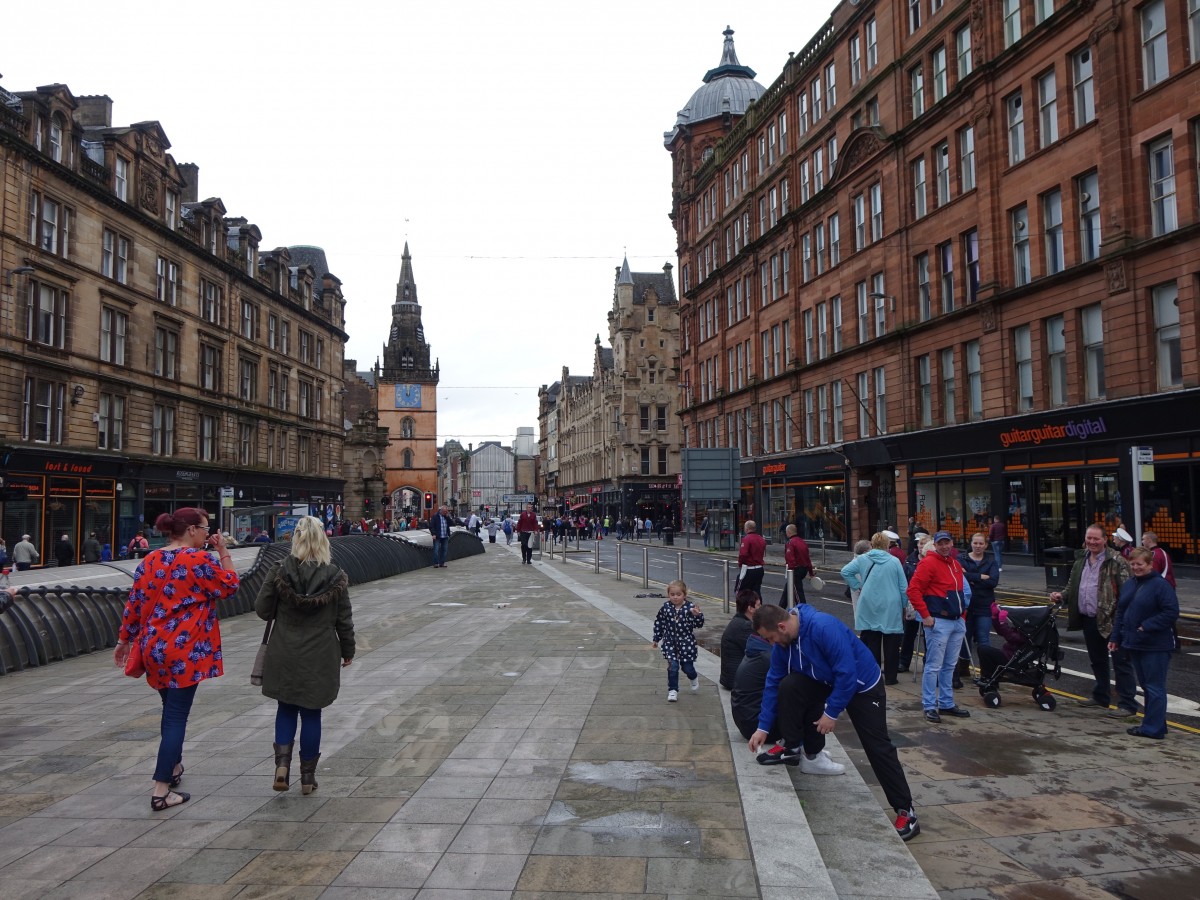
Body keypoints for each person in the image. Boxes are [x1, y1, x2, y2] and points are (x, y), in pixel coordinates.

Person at [748, 604, 920, 841]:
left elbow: (847, 674)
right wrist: (763, 727)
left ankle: (905, 810)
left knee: (877, 746)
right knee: (790, 686)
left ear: (782, 626)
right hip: (825, 679)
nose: (772, 644)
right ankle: (793, 747)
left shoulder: (823, 627)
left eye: (771, 638)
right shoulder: (784, 642)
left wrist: (831, 712)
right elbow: (772, 681)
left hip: (862, 685)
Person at [112, 508, 239, 810]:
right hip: (185, 650)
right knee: (175, 717)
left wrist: (123, 641)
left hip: (154, 648)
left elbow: (134, 603)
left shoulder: (150, 560)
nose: (210, 534)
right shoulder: (200, 560)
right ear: (192, 530)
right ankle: (161, 789)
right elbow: (230, 585)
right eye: (207, 529)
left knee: (170, 710)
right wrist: (222, 551)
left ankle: (174, 767)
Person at [255, 516, 355, 793]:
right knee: (312, 713)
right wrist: (348, 650)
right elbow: (343, 620)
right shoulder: (335, 575)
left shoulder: (279, 570)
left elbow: (263, 610)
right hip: (321, 653)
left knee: (286, 707)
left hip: (285, 649)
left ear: (295, 539)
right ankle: (308, 777)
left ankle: (282, 767)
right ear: (323, 541)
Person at [1051, 524, 1136, 717]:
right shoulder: (1081, 560)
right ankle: (1100, 696)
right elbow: (1073, 586)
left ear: (1105, 539)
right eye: (1089, 538)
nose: (1092, 542)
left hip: (1113, 620)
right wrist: (1061, 596)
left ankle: (1127, 704)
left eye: (1096, 539)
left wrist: (1125, 620)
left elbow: (1127, 593)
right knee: (1097, 660)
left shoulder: (1116, 561)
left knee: (1121, 662)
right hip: (1089, 618)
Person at [1109, 547, 1179, 740]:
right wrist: (1116, 638)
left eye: (1140, 564)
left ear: (1149, 565)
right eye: (1133, 564)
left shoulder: (1160, 585)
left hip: (1156, 645)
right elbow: (1121, 612)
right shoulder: (1131, 583)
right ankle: (1155, 725)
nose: (1136, 567)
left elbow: (1171, 612)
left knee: (1155, 687)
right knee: (1148, 687)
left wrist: (1146, 626)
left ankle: (1152, 729)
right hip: (1135, 643)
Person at [907, 531, 973, 723]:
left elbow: (961, 592)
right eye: (940, 543)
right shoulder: (928, 563)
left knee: (949, 665)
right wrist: (926, 616)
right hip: (939, 620)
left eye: (947, 542)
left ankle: (946, 703)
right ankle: (929, 705)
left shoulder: (955, 564)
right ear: (935, 545)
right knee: (934, 666)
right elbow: (913, 590)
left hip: (955, 620)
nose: (944, 546)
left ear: (952, 543)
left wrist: (962, 616)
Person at [842, 532, 908, 686]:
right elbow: (903, 587)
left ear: (872, 544)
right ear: (887, 545)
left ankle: (874, 676)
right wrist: (904, 605)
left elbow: (845, 571)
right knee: (892, 643)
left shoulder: (863, 559)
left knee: (872, 641)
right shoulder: (894, 561)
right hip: (891, 604)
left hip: (869, 603)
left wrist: (857, 586)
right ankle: (891, 677)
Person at [650, 579, 705, 702]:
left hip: (686, 643)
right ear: (668, 594)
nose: (675, 597)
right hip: (670, 642)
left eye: (678, 594)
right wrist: (656, 639)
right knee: (673, 666)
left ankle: (693, 677)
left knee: (687, 668)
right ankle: (673, 690)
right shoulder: (666, 607)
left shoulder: (690, 608)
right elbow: (659, 623)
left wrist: (697, 615)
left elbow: (699, 624)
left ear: (684, 595)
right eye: (672, 594)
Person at [958, 532, 999, 687]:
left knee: (983, 639)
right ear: (971, 543)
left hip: (984, 606)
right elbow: (960, 578)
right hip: (966, 605)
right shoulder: (961, 559)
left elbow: (993, 581)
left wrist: (970, 577)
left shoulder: (991, 561)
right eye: (975, 543)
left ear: (986, 545)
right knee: (964, 637)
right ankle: (963, 668)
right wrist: (981, 577)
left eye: (981, 544)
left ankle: (986, 672)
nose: (978, 546)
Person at [731, 632, 775, 741]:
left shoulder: (755, 649)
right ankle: (809, 752)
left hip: (745, 722)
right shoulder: (768, 657)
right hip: (756, 727)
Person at [720, 589, 761, 690]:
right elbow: (761, 651)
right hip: (736, 681)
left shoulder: (739, 621)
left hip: (731, 678)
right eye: (759, 605)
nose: (761, 608)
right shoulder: (745, 626)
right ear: (750, 608)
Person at [781, 524, 814, 607]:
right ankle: (780, 610)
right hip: (804, 569)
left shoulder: (790, 543)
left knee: (798, 594)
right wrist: (811, 572)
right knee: (787, 590)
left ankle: (804, 611)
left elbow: (790, 559)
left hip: (795, 571)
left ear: (788, 532)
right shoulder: (802, 541)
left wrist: (790, 572)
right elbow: (807, 558)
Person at [737, 520, 766, 596]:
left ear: (747, 529)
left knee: (740, 591)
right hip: (760, 569)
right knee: (756, 592)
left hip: (749, 569)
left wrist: (740, 564)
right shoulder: (761, 539)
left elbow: (743, 554)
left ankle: (743, 607)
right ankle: (758, 607)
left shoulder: (746, 539)